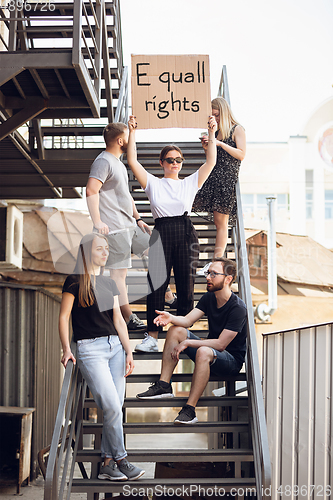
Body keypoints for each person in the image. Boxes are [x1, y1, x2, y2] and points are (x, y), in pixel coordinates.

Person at [126, 114, 217, 353]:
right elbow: (133, 161)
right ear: (161, 162)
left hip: (186, 231)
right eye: (169, 159)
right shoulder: (153, 183)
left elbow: (211, 163)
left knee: (186, 284)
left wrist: (212, 134)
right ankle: (152, 337)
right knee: (156, 283)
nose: (174, 163)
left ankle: (181, 333)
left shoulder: (189, 183)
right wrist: (132, 131)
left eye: (178, 159)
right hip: (162, 230)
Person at [59, 233, 145, 481]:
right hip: (90, 349)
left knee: (115, 407)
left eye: (107, 249)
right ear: (86, 252)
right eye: (100, 248)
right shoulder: (74, 281)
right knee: (110, 406)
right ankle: (121, 459)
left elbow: (118, 319)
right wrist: (66, 348)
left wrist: (128, 351)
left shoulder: (108, 283)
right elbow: (64, 317)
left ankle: (107, 463)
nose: (105, 252)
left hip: (116, 348)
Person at [136, 258, 247, 425]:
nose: (208, 277)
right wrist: (171, 317)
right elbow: (187, 321)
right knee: (176, 330)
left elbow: (221, 345)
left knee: (203, 350)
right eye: (208, 273)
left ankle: (190, 410)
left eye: (213, 274)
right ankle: (164, 385)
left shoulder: (238, 308)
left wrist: (188, 343)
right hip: (211, 354)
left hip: (230, 361)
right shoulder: (209, 298)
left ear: (228, 279)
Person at [86, 122, 151, 332]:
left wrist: (139, 218)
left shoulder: (118, 162)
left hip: (130, 224)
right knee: (118, 276)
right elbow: (91, 190)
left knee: (155, 251)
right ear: (120, 141)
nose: (132, 141)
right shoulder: (103, 162)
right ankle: (129, 317)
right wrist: (97, 221)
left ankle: (167, 295)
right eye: (129, 137)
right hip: (114, 229)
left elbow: (126, 195)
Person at [193, 97, 246, 262]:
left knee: (221, 222)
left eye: (216, 115)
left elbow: (241, 154)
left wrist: (220, 144)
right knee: (195, 210)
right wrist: (207, 148)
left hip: (227, 179)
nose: (214, 119)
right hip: (213, 177)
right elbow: (212, 159)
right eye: (212, 116)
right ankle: (213, 258)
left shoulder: (237, 129)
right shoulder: (215, 132)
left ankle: (217, 260)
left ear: (224, 112)